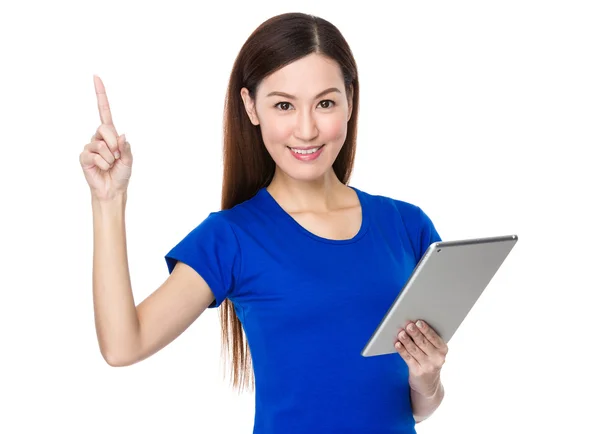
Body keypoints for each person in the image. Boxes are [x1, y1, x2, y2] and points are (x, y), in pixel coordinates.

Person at [79, 12, 449, 434]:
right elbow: (124, 345)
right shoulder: (232, 238)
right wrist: (108, 200)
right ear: (251, 106)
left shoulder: (409, 227)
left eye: (325, 103)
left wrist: (428, 379)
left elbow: (412, 408)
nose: (306, 129)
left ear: (349, 101)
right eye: (284, 105)